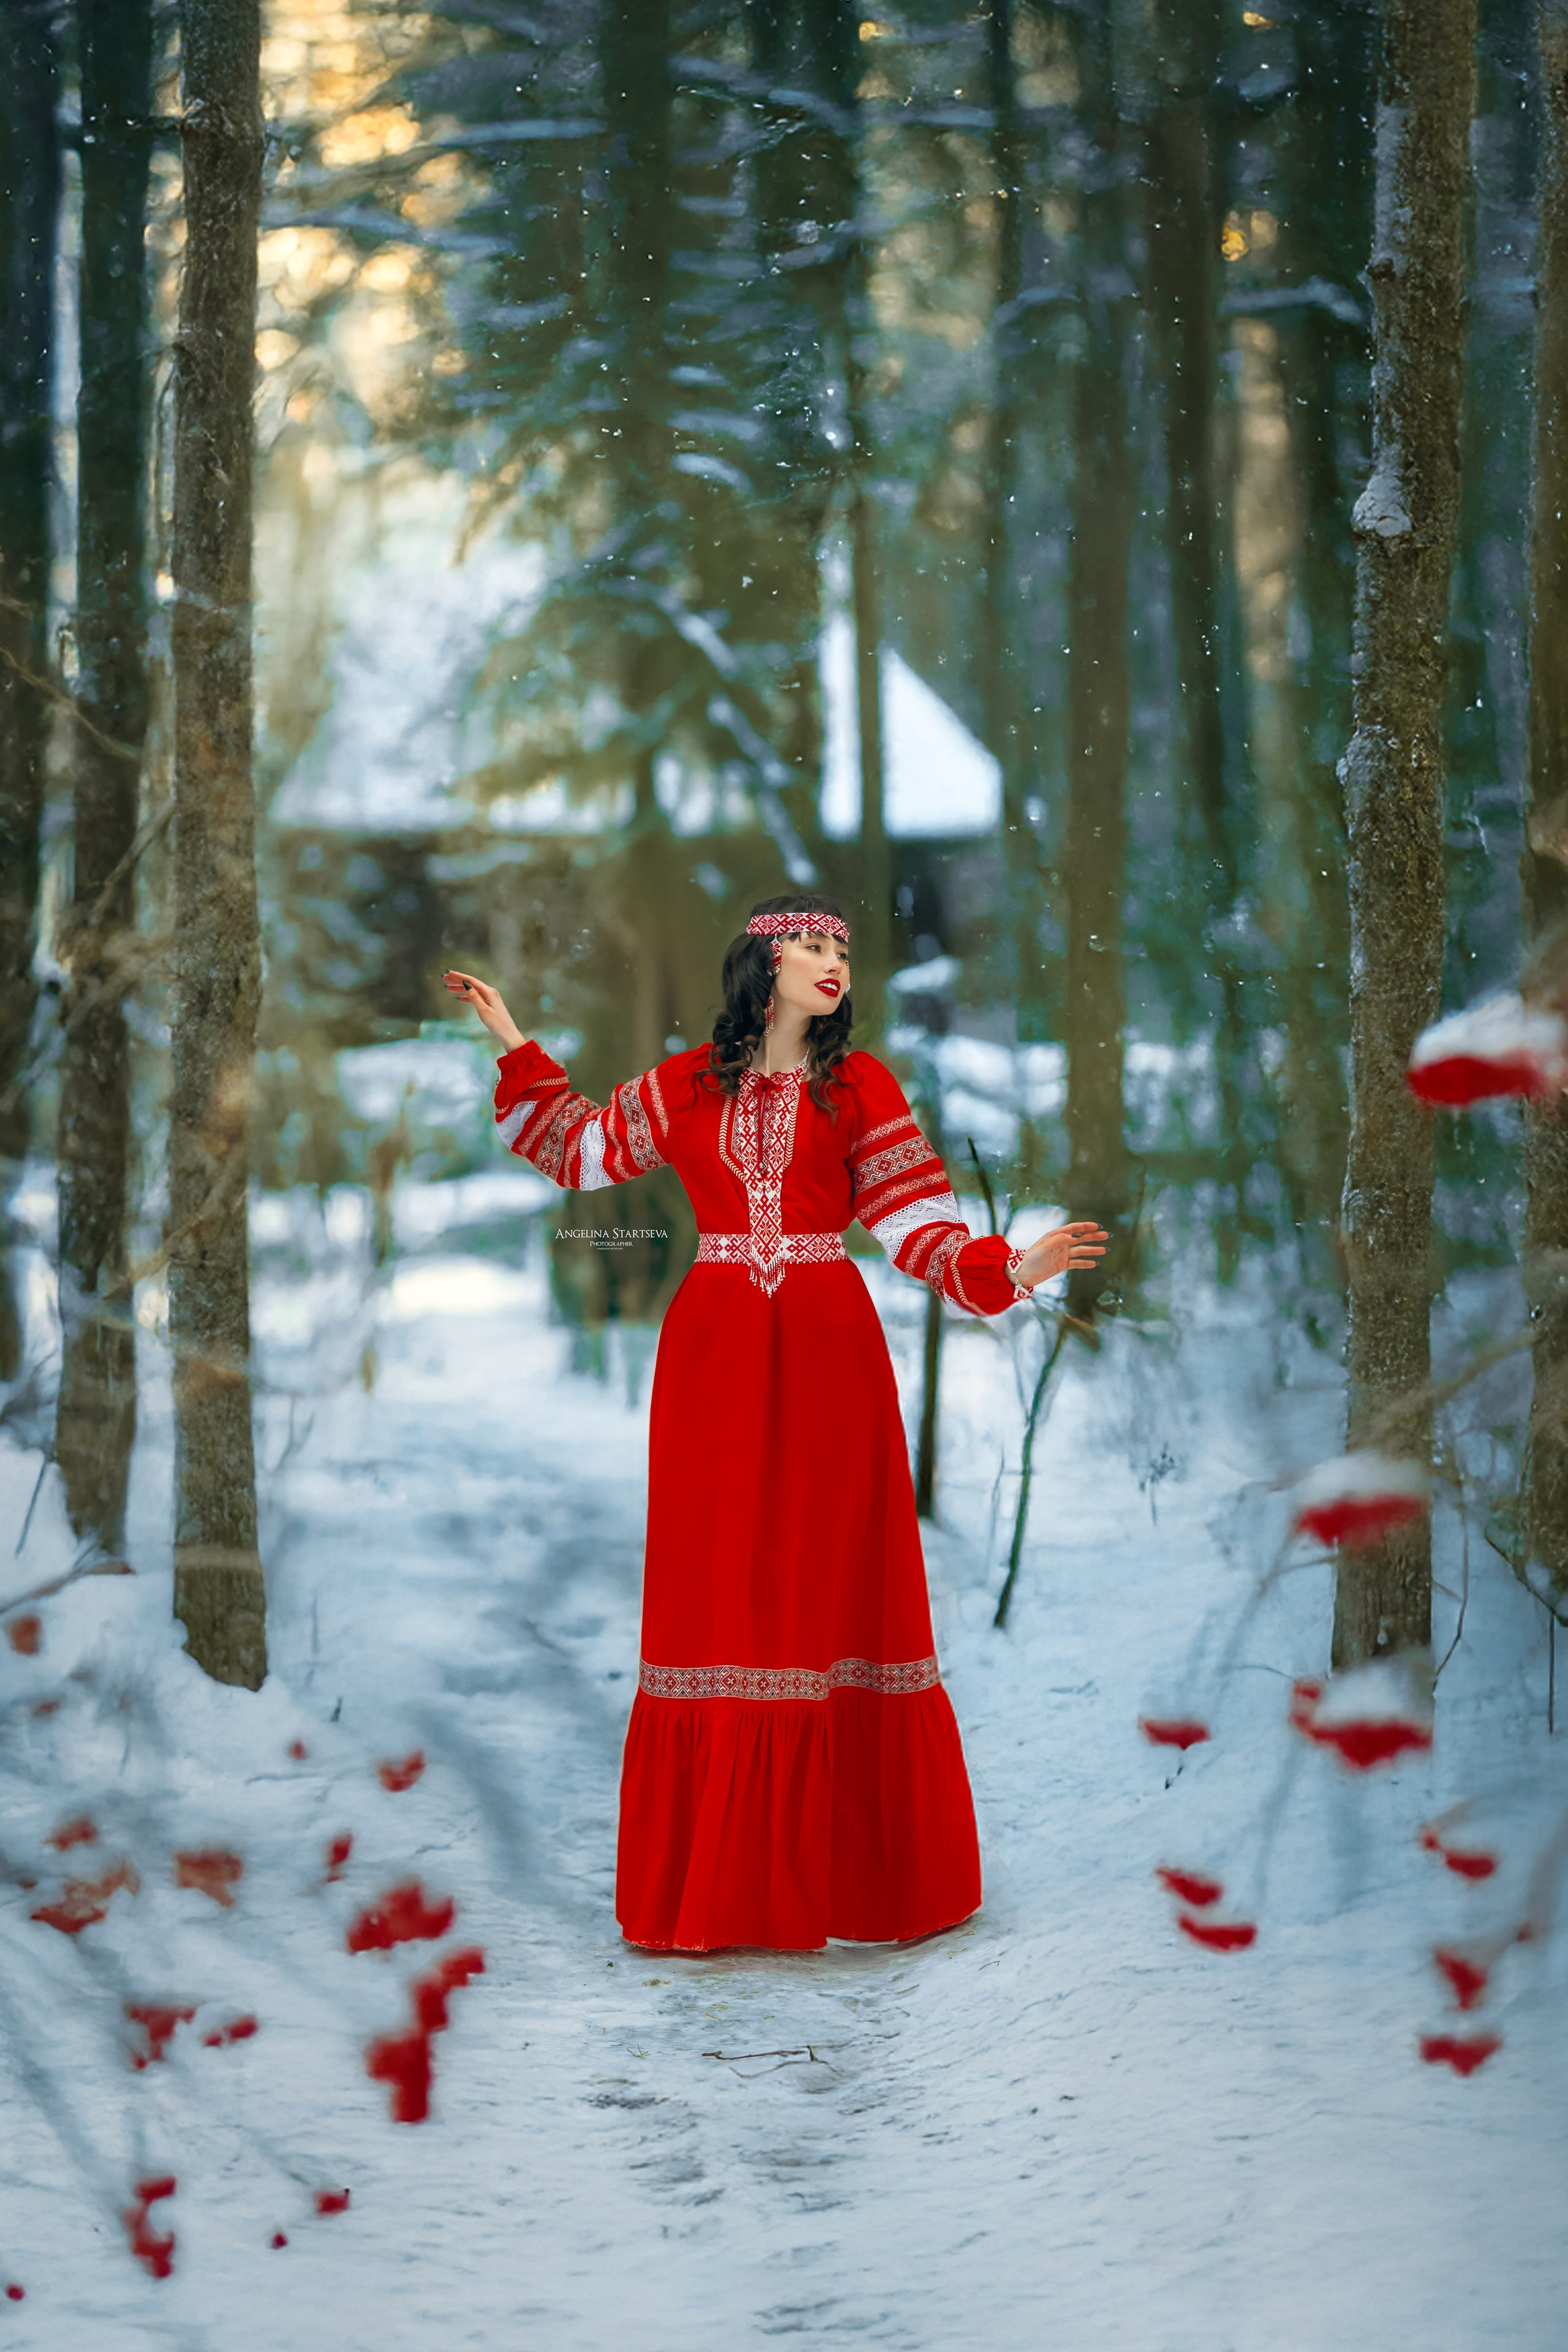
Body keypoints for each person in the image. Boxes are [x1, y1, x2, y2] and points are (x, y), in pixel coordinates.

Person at [444, 892, 1107, 1953]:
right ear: (762, 963)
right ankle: (722, 1887)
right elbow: (579, 1151)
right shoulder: (684, 1086)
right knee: (721, 1590)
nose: (829, 960)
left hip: (830, 1353)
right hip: (712, 1358)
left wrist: (1006, 1266)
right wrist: (514, 1041)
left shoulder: (862, 1086)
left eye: (840, 946)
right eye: (807, 944)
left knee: (829, 1580)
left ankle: (859, 1883)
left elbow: (915, 1218)